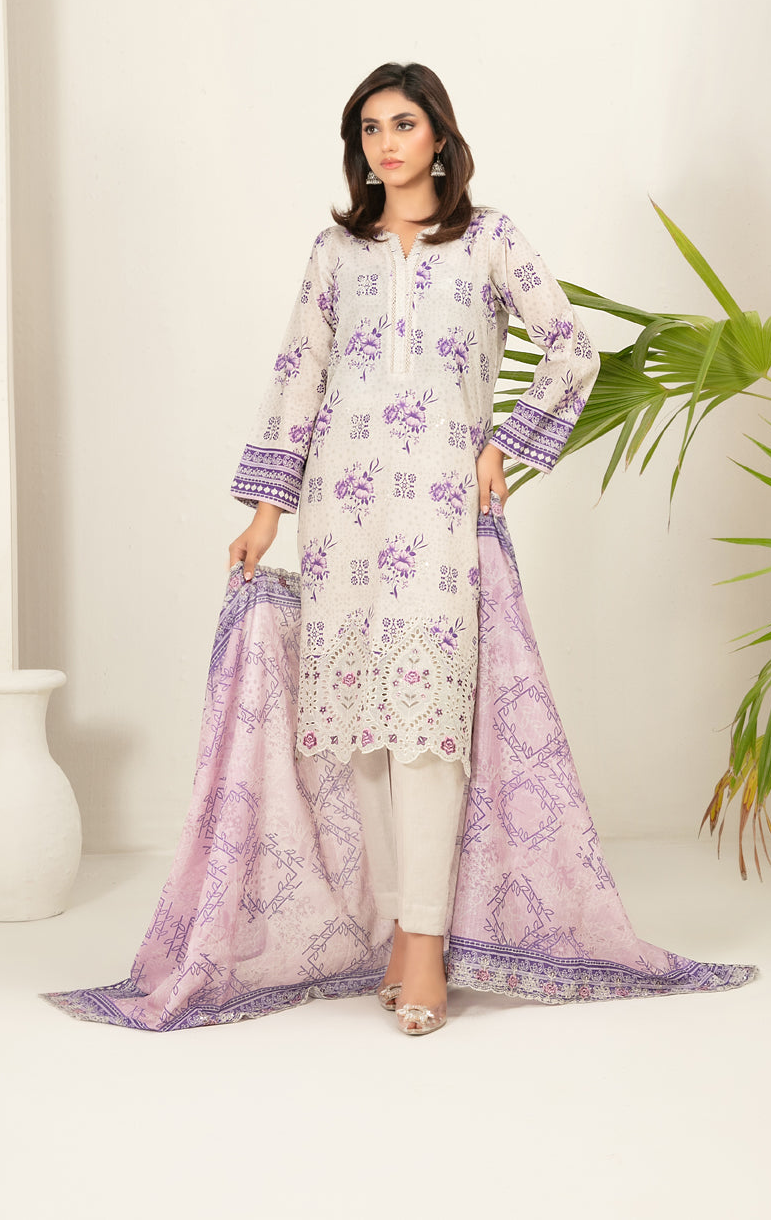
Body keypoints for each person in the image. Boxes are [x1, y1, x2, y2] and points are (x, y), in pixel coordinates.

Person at [228, 61, 600, 1035]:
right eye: (368, 128)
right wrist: (266, 513)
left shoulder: (488, 240)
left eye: (402, 123)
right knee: (362, 729)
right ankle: (399, 929)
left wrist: (500, 445)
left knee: (427, 727)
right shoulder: (334, 252)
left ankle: (428, 941)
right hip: (339, 515)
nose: (384, 143)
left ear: (438, 133)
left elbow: (572, 348)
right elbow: (297, 376)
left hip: (437, 513)